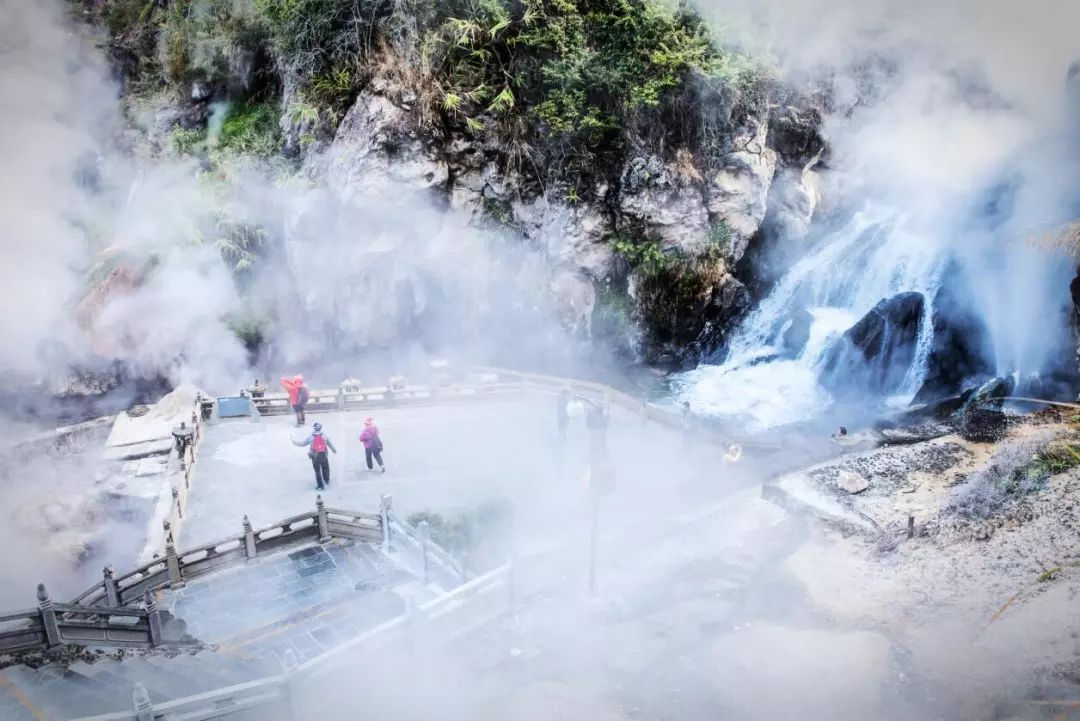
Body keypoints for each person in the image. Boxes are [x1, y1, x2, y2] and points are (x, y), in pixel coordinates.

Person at [292, 421, 337, 490]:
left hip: (315, 456)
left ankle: (320, 485)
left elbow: (302, 444)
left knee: (317, 471)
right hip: (324, 455)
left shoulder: (310, 437)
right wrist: (334, 450)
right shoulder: (324, 436)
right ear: (320, 428)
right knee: (325, 468)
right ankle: (326, 480)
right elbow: (329, 443)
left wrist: (293, 441)